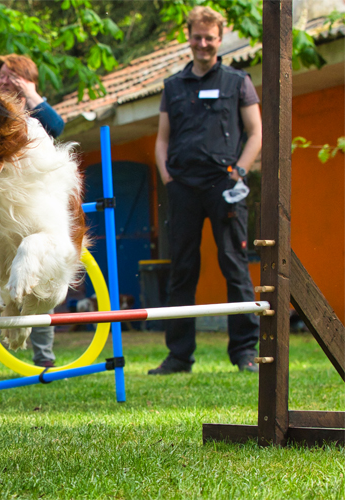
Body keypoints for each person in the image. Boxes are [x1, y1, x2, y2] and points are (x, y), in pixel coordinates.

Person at [150, 6, 262, 375]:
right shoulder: (172, 86)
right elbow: (162, 140)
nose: (203, 43)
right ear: (189, 37)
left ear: (220, 38)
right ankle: (179, 356)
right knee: (182, 269)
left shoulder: (238, 81)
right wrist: (168, 178)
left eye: (209, 37)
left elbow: (256, 132)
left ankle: (246, 352)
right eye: (197, 37)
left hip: (224, 185)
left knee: (235, 265)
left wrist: (239, 173)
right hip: (182, 187)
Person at [0, 54, 65, 383]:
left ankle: (44, 359)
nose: (4, 83)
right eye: (1, 76)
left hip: (33, 209)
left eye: (13, 77)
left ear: (28, 81)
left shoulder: (35, 114)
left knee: (40, 288)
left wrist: (31, 95)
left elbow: (58, 127)